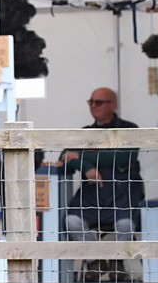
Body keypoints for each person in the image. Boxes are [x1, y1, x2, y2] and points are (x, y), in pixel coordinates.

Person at [60, 88, 144, 244]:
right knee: (71, 221)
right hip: (91, 197)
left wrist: (81, 156)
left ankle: (117, 261)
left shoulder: (129, 129)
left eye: (98, 102)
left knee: (125, 225)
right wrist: (87, 167)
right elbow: (64, 155)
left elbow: (124, 158)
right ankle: (95, 260)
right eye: (90, 102)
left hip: (121, 196)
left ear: (113, 105)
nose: (93, 106)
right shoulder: (86, 132)